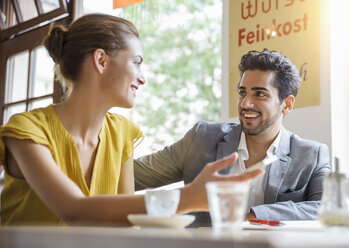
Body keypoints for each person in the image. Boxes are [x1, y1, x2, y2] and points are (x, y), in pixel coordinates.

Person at [0, 14, 262, 226]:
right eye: (136, 63)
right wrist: (187, 198)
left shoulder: (122, 132)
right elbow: (74, 210)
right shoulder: (26, 130)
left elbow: (125, 223)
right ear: (101, 60)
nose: (142, 77)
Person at [134, 49, 331, 227]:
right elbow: (135, 175)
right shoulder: (201, 138)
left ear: (287, 104)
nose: (246, 103)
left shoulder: (312, 155)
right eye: (242, 92)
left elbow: (326, 209)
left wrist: (254, 215)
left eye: (260, 94)